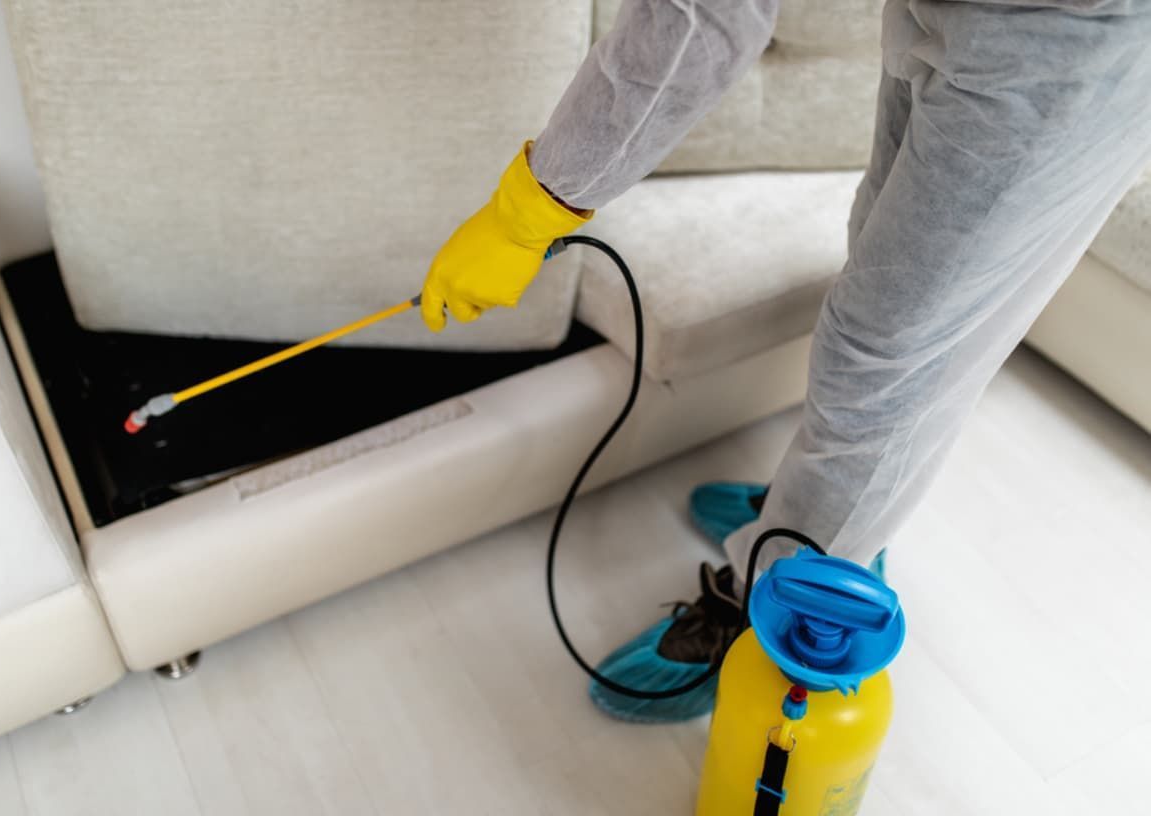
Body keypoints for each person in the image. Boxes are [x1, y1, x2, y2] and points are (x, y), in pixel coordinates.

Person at [420, 0, 1151, 722]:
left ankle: (782, 600)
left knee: (887, 355)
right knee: (881, 267)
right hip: (962, 14)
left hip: (1077, 44)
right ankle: (818, 513)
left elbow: (701, 16)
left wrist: (529, 212)